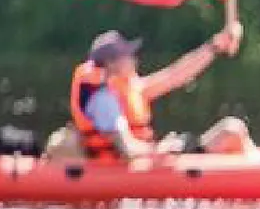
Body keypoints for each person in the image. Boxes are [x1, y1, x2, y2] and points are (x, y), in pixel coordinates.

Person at [67, 23, 250, 161]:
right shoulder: (103, 100)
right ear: (111, 63)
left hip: (146, 159)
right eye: (127, 54)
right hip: (124, 169)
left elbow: (175, 75)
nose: (133, 58)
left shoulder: (130, 87)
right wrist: (163, 148)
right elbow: (127, 149)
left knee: (232, 129)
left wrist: (214, 46)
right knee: (232, 129)